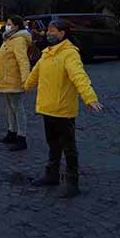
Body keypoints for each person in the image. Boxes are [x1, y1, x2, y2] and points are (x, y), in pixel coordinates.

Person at [24, 20, 103, 198]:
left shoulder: (70, 53)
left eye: (52, 30)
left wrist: (89, 97)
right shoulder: (47, 53)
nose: (48, 33)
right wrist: (26, 86)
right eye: (48, 30)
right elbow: (35, 73)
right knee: (53, 144)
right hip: (47, 108)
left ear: (62, 33)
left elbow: (79, 76)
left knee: (69, 148)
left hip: (63, 109)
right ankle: (52, 175)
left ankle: (72, 182)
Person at [0, 16, 32, 151]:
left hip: (14, 80)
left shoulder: (19, 40)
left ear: (16, 26)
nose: (7, 26)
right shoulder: (8, 39)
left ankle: (22, 137)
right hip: (6, 80)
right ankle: (12, 132)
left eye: (9, 24)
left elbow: (23, 61)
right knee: (10, 108)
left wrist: (25, 80)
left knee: (18, 108)